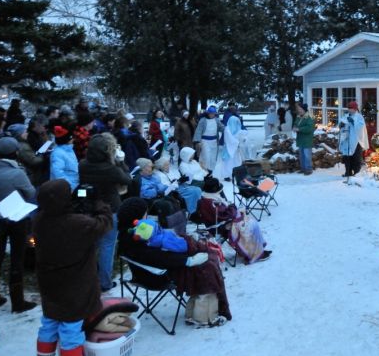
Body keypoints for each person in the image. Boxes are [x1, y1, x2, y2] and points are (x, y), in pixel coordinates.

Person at [117, 198, 232, 327]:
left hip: (157, 268)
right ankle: (204, 317)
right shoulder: (135, 238)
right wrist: (187, 260)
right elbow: (157, 257)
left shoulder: (134, 232)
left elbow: (157, 252)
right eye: (145, 213)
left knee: (207, 255)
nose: (147, 215)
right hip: (156, 275)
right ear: (136, 217)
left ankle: (197, 310)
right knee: (207, 266)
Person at [34, 179, 113, 356]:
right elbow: (104, 223)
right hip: (75, 285)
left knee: (49, 323)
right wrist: (99, 204)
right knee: (71, 329)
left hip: (49, 283)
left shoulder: (39, 220)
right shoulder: (77, 223)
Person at [0, 137, 37, 313]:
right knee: (17, 258)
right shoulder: (17, 173)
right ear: (14, 153)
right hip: (17, 217)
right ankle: (18, 301)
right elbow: (30, 193)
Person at [78, 133, 131, 292]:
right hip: (110, 209)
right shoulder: (111, 169)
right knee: (107, 246)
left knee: (91, 245)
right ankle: (104, 282)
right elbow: (128, 179)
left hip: (88, 208)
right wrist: (121, 162)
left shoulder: (82, 164)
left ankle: (87, 278)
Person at [339, 101, 369, 178]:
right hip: (347, 139)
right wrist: (341, 125)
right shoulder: (345, 116)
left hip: (356, 140)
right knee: (347, 157)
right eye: (348, 108)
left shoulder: (359, 117)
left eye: (351, 108)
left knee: (356, 157)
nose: (349, 110)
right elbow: (341, 124)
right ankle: (348, 172)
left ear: (355, 109)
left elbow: (360, 127)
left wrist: (353, 122)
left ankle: (356, 173)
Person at [16, 120, 50, 187]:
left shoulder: (24, 143)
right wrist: (42, 154)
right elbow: (33, 160)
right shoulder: (23, 146)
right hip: (32, 173)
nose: (27, 133)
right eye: (24, 132)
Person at [213, 115, 246, 182]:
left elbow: (241, 135)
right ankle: (226, 175)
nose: (237, 123)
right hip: (229, 148)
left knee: (236, 161)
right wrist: (237, 142)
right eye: (236, 122)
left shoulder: (237, 129)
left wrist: (242, 139)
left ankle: (236, 174)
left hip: (235, 149)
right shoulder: (227, 129)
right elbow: (229, 139)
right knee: (228, 163)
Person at [193, 106, 224, 173]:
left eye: (213, 113)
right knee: (206, 156)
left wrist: (226, 129)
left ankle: (210, 170)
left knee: (213, 157)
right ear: (208, 113)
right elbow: (199, 130)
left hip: (214, 142)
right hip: (205, 141)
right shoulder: (203, 120)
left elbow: (221, 127)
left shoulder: (217, 120)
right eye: (210, 113)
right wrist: (198, 141)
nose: (212, 115)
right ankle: (205, 170)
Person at [50, 126, 79, 191]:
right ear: (66, 140)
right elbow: (58, 173)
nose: (73, 139)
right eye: (71, 138)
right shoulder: (57, 153)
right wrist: (70, 185)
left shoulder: (69, 149)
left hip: (75, 182)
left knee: (83, 196)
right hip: (67, 187)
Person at [292, 103, 314, 175]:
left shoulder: (309, 117)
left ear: (304, 109)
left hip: (307, 139)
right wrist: (294, 127)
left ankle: (308, 169)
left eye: (300, 109)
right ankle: (303, 168)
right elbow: (295, 123)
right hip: (300, 139)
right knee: (301, 155)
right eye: (299, 109)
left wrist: (299, 129)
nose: (299, 110)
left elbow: (309, 128)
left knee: (307, 155)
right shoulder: (299, 116)